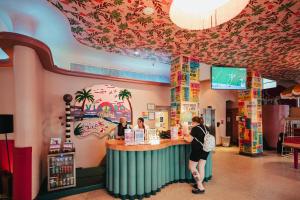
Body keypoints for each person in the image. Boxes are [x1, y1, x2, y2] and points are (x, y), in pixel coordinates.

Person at [184, 116, 209, 194]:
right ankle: (200, 183)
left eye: (192, 122)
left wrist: (184, 137)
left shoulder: (195, 128)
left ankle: (200, 187)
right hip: (206, 150)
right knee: (201, 166)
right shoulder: (206, 127)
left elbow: (189, 140)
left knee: (192, 167)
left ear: (195, 122)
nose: (192, 124)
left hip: (197, 150)